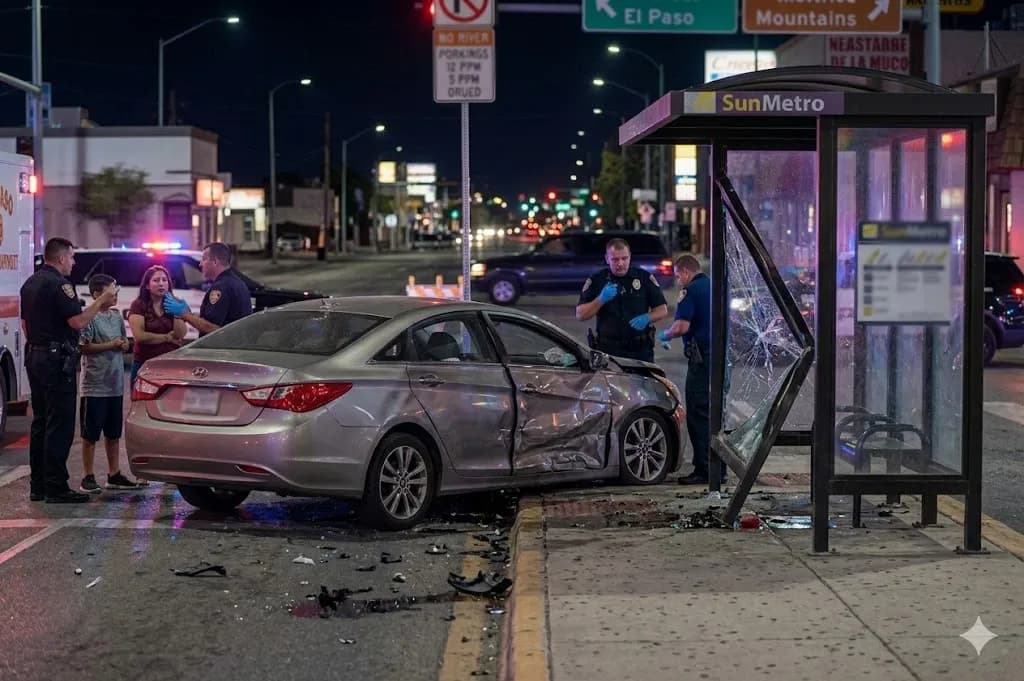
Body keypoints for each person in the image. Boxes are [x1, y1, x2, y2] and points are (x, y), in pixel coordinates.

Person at [20, 237, 116, 503]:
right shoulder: (61, 285)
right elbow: (77, 321)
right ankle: (56, 487)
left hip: (35, 355)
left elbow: (25, 324)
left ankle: (38, 485)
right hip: (55, 361)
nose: (73, 262)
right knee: (59, 424)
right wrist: (102, 300)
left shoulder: (30, 282)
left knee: (40, 422)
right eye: (72, 257)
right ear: (61, 258)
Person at [658, 255, 726, 485]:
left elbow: (681, 326)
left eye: (678, 276)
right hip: (722, 357)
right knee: (717, 414)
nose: (678, 281)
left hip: (702, 360)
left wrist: (665, 335)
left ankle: (704, 470)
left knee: (698, 414)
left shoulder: (691, 291)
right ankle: (720, 469)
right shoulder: (714, 286)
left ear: (686, 272)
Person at [78, 274, 144, 493]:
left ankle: (114, 474)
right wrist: (110, 345)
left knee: (113, 433)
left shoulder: (116, 316)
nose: (115, 294)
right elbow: (83, 347)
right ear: (97, 294)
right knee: (90, 434)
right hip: (94, 385)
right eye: (111, 291)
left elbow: (123, 341)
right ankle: (88, 476)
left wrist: (124, 344)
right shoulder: (89, 317)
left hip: (115, 383)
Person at [576, 238, 668, 362]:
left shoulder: (644, 278)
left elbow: (662, 309)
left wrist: (647, 317)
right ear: (607, 259)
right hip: (608, 351)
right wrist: (601, 299)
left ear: (630, 256)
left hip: (640, 351)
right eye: (615, 259)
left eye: (624, 258)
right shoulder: (597, 280)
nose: (620, 263)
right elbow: (580, 315)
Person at [163, 242, 252, 335]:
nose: (200, 264)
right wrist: (189, 314)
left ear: (215, 262)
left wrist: (184, 314)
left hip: (222, 347)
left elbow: (211, 328)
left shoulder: (221, 287)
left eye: (204, 259)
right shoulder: (236, 282)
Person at [128, 265, 187, 388]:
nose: (161, 284)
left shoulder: (174, 303)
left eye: (164, 280)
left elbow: (180, 334)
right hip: (145, 363)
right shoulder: (138, 305)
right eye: (156, 280)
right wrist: (167, 337)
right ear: (147, 286)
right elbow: (140, 336)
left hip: (170, 363)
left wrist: (177, 313)